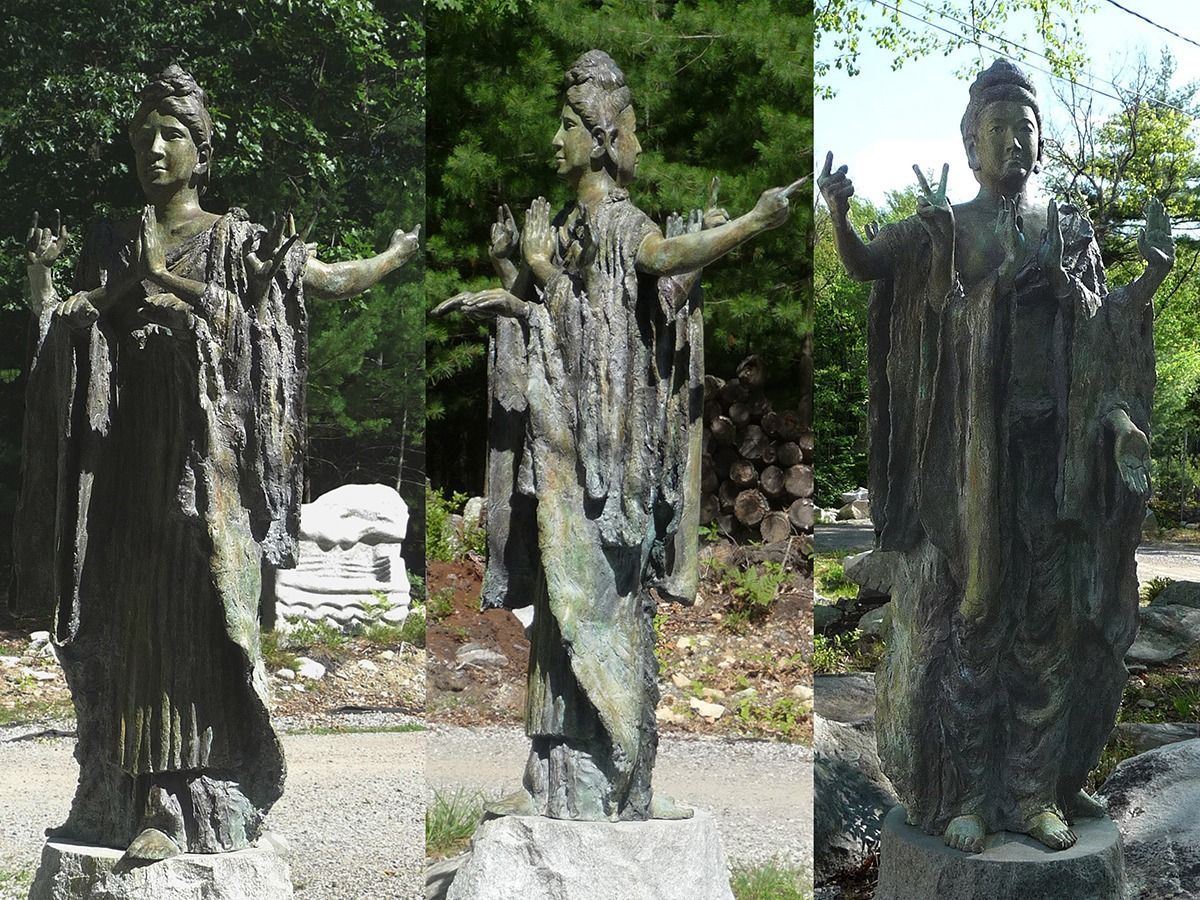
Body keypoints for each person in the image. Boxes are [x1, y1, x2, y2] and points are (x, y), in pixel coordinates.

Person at [16, 64, 418, 860]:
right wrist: (51, 284)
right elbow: (62, 325)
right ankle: (119, 792)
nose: (155, 149)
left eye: (172, 135)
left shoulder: (235, 240)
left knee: (191, 626)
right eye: (144, 136)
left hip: (201, 475)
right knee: (125, 628)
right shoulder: (110, 239)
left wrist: (397, 256)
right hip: (123, 467)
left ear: (203, 151)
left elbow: (303, 296)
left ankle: (179, 800)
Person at [435, 49, 801, 821]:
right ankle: (550, 777)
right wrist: (516, 277)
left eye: (568, 124)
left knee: (602, 607)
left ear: (599, 136)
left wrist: (755, 221)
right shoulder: (567, 225)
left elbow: (664, 261)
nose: (554, 138)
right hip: (567, 450)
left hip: (612, 459)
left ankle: (617, 786)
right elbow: (555, 322)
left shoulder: (622, 223)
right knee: (563, 616)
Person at [818, 59, 1171, 853]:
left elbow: (1105, 331)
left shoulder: (1068, 229)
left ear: (1040, 145)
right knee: (972, 626)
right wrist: (839, 216)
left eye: (1026, 131)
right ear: (970, 143)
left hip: (1053, 464)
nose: (1014, 143)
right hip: (968, 468)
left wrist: (1147, 280)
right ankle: (968, 792)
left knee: (1044, 630)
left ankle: (1033, 795)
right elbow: (868, 263)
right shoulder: (949, 228)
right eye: (998, 131)